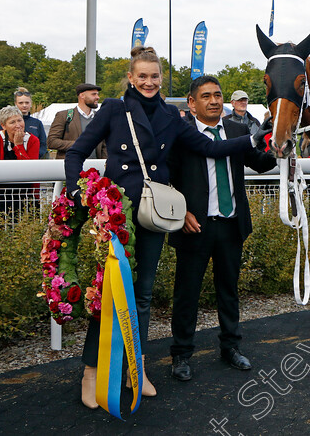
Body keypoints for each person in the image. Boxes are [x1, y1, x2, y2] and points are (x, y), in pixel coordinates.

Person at [64, 46, 260, 409]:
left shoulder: (172, 116)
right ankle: (91, 371)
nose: (150, 82)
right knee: (110, 292)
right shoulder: (114, 108)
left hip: (153, 214)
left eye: (155, 76)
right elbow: (76, 152)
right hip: (117, 214)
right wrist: (78, 191)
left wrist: (253, 139)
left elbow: (209, 148)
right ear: (131, 77)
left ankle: (133, 369)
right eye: (143, 76)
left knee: (142, 295)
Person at [168, 76, 275, 382]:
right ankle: (181, 354)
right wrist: (182, 212)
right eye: (206, 96)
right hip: (194, 226)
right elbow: (167, 177)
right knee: (186, 294)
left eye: (218, 95)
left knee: (228, 291)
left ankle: (231, 347)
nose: (214, 101)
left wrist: (278, 148)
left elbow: (261, 163)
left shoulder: (238, 130)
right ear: (192, 103)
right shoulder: (181, 134)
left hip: (231, 224)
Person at [0, 105, 40, 214]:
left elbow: (31, 169)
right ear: (3, 125)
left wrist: (19, 146)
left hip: (25, 192)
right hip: (0, 193)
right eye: (12, 122)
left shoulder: (33, 140)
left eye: (20, 120)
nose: (18, 125)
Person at [47, 83, 107, 160]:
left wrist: (104, 164)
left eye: (97, 94)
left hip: (95, 167)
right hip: (71, 166)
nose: (97, 97)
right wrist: (78, 144)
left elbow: (105, 146)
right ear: (82, 95)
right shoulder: (63, 115)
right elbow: (52, 142)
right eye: (93, 94)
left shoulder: (100, 118)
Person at [13, 87, 47, 158]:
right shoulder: (8, 122)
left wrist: (33, 157)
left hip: (33, 161)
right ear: (15, 104)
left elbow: (43, 145)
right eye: (21, 103)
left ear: (31, 104)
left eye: (27, 102)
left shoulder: (37, 123)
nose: (24, 105)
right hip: (13, 160)